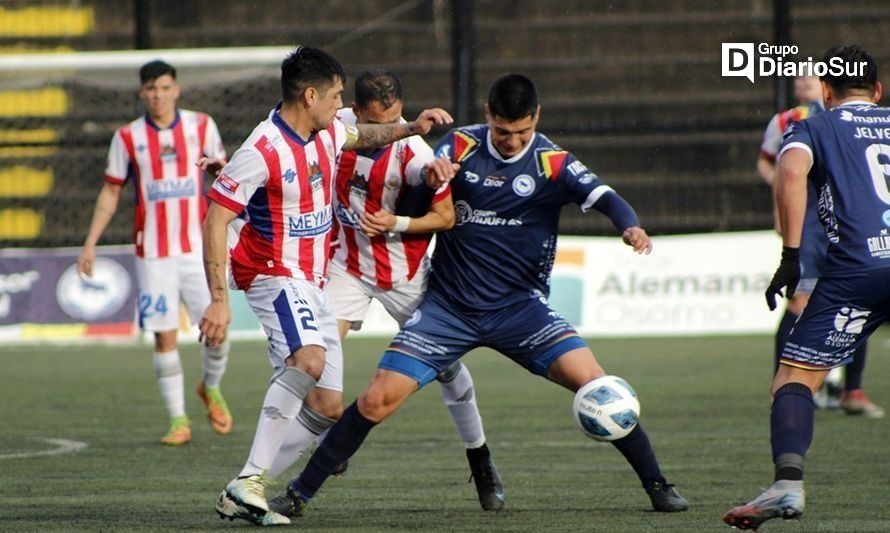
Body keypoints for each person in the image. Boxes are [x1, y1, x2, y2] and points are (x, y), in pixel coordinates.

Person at [271, 73, 689, 519]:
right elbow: (424, 190)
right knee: (375, 399)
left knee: (598, 385)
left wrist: (629, 225)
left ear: (537, 119)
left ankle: (658, 486)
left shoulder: (553, 163)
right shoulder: (459, 147)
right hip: (447, 309)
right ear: (488, 115)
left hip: (520, 310)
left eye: (523, 132)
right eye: (504, 131)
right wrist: (432, 177)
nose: (512, 142)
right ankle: (298, 494)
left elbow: (605, 196)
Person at [198, 47, 455, 526]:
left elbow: (368, 133)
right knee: (309, 361)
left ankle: (240, 493)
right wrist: (218, 302)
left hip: (314, 278)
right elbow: (216, 221)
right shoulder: (264, 149)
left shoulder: (329, 129)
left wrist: (414, 129)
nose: (343, 104)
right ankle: (252, 478)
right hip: (273, 272)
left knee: (327, 407)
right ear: (310, 94)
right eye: (337, 95)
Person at [259, 69, 503, 513]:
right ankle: (258, 477)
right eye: (379, 122)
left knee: (448, 367)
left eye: (395, 119)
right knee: (313, 369)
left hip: (405, 276)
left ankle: (480, 457)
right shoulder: (332, 127)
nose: (387, 132)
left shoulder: (412, 151)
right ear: (359, 112)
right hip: (345, 269)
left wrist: (410, 207)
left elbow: (444, 215)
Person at [724, 45, 890, 530]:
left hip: (857, 267)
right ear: (877, 91)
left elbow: (791, 172)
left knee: (794, 378)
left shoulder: (813, 125)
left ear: (826, 91)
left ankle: (787, 485)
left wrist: (790, 256)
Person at [76, 60, 232, 446]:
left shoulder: (202, 126)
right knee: (164, 338)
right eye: (150, 88)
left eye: (164, 87)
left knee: (217, 331)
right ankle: (178, 420)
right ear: (141, 93)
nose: (157, 95)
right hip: (154, 254)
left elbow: (224, 176)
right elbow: (111, 191)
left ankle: (210, 387)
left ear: (176, 89)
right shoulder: (127, 137)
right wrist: (90, 242)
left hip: (199, 250)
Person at [758, 76, 882, 417]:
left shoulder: (840, 121)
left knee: (861, 301)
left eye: (812, 78)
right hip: (812, 222)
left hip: (853, 225)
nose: (805, 84)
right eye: (800, 78)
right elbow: (777, 165)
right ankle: (785, 388)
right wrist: (781, 212)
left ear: (826, 87)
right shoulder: (791, 120)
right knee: (800, 300)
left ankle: (850, 390)